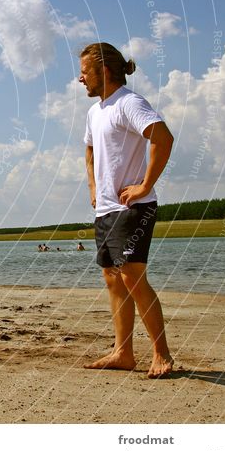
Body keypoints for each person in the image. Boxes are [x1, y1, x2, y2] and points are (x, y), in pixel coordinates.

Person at [79, 42, 174, 379]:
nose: (81, 79)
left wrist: (145, 186)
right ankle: (123, 352)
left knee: (132, 276)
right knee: (113, 280)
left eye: (85, 72)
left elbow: (162, 137)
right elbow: (89, 149)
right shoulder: (95, 112)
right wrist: (92, 186)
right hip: (105, 210)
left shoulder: (129, 103)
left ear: (104, 72)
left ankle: (161, 354)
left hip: (133, 207)